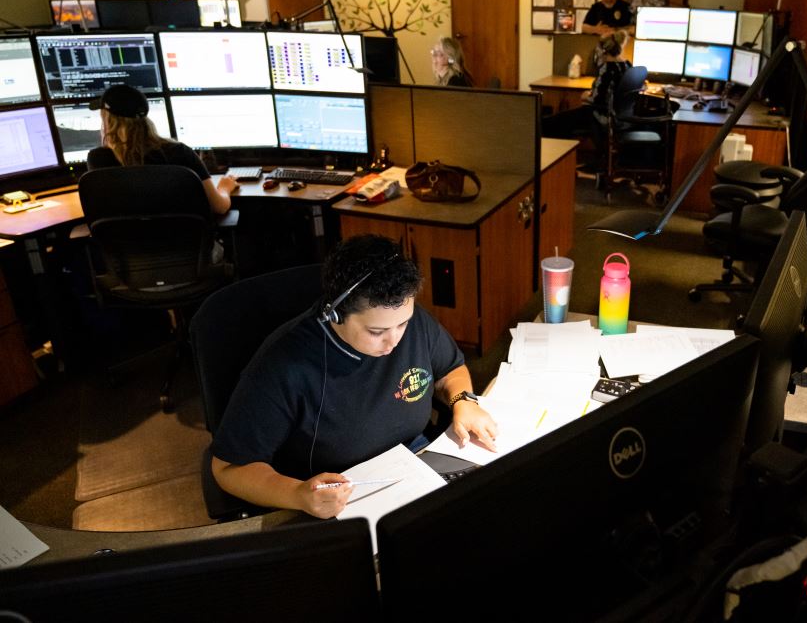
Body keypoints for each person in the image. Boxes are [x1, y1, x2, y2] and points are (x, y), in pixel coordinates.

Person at [210, 234, 499, 519]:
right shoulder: (284, 365)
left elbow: (449, 369)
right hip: (341, 499)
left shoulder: (408, 321)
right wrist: (297, 494)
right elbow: (227, 469)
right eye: (376, 332)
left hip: (420, 466)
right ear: (335, 315)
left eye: (403, 324)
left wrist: (464, 401)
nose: (393, 342)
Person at [86, 84, 237, 215]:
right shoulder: (180, 152)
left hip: (124, 248)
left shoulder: (98, 160)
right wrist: (224, 187)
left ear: (108, 122)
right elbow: (219, 207)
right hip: (187, 246)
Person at [541, 30, 632, 143]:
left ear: (604, 51)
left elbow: (597, 99)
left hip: (601, 116)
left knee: (553, 123)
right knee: (563, 120)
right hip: (620, 118)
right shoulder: (627, 66)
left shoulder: (607, 69)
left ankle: (563, 155)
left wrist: (586, 97)